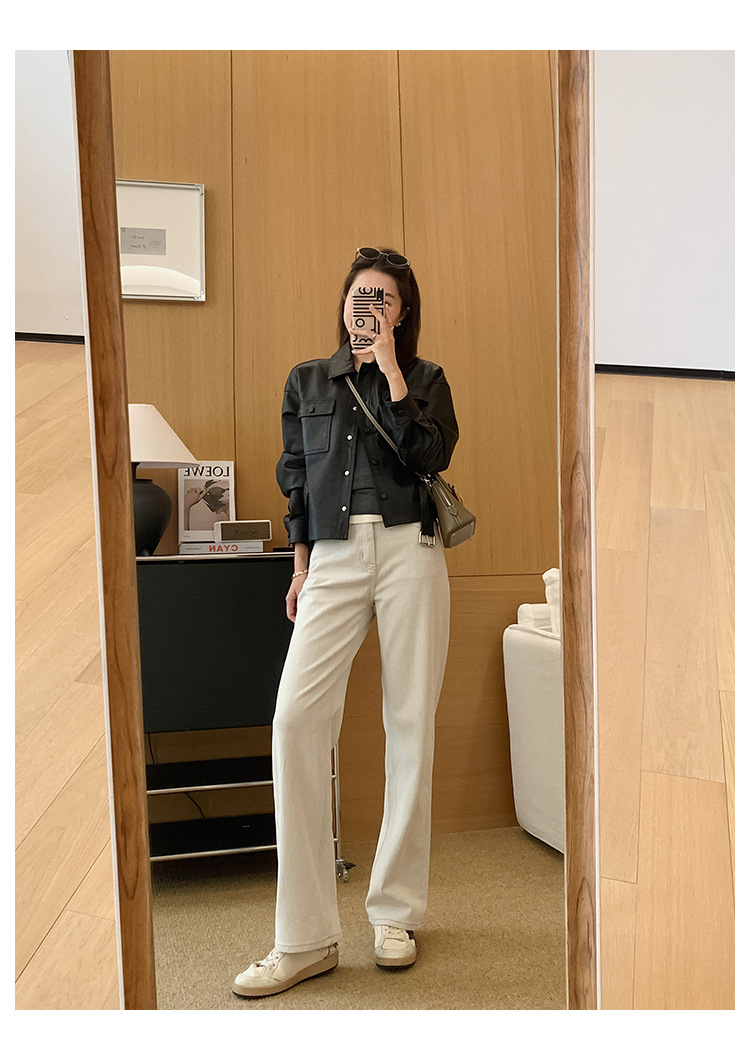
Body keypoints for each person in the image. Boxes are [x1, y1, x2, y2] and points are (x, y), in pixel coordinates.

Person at [232, 247, 459, 999]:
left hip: (410, 549)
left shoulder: (425, 379)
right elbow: (296, 483)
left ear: (402, 312)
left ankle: (395, 914)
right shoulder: (307, 381)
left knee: (410, 724)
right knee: (296, 720)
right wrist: (300, 569)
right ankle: (303, 938)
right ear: (343, 302)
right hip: (330, 555)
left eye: (383, 299)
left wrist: (391, 371)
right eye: (361, 295)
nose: (368, 307)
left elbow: (430, 451)